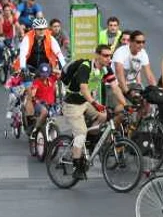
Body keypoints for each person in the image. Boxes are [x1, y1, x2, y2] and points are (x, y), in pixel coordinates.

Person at [63, 44, 127, 180]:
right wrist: (94, 103)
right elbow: (84, 89)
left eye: (109, 56)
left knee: (104, 116)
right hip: (72, 104)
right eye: (105, 55)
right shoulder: (85, 67)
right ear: (97, 55)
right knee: (80, 132)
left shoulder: (106, 69)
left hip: (86, 102)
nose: (108, 58)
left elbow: (115, 88)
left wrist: (125, 105)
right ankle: (76, 166)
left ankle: (90, 142)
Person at [26, 63, 57, 134]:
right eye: (42, 74)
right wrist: (36, 100)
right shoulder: (36, 82)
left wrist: (53, 70)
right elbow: (33, 94)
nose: (44, 76)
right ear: (39, 73)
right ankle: (35, 130)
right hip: (39, 104)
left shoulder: (51, 80)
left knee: (54, 118)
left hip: (51, 105)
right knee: (44, 112)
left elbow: (61, 73)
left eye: (46, 74)